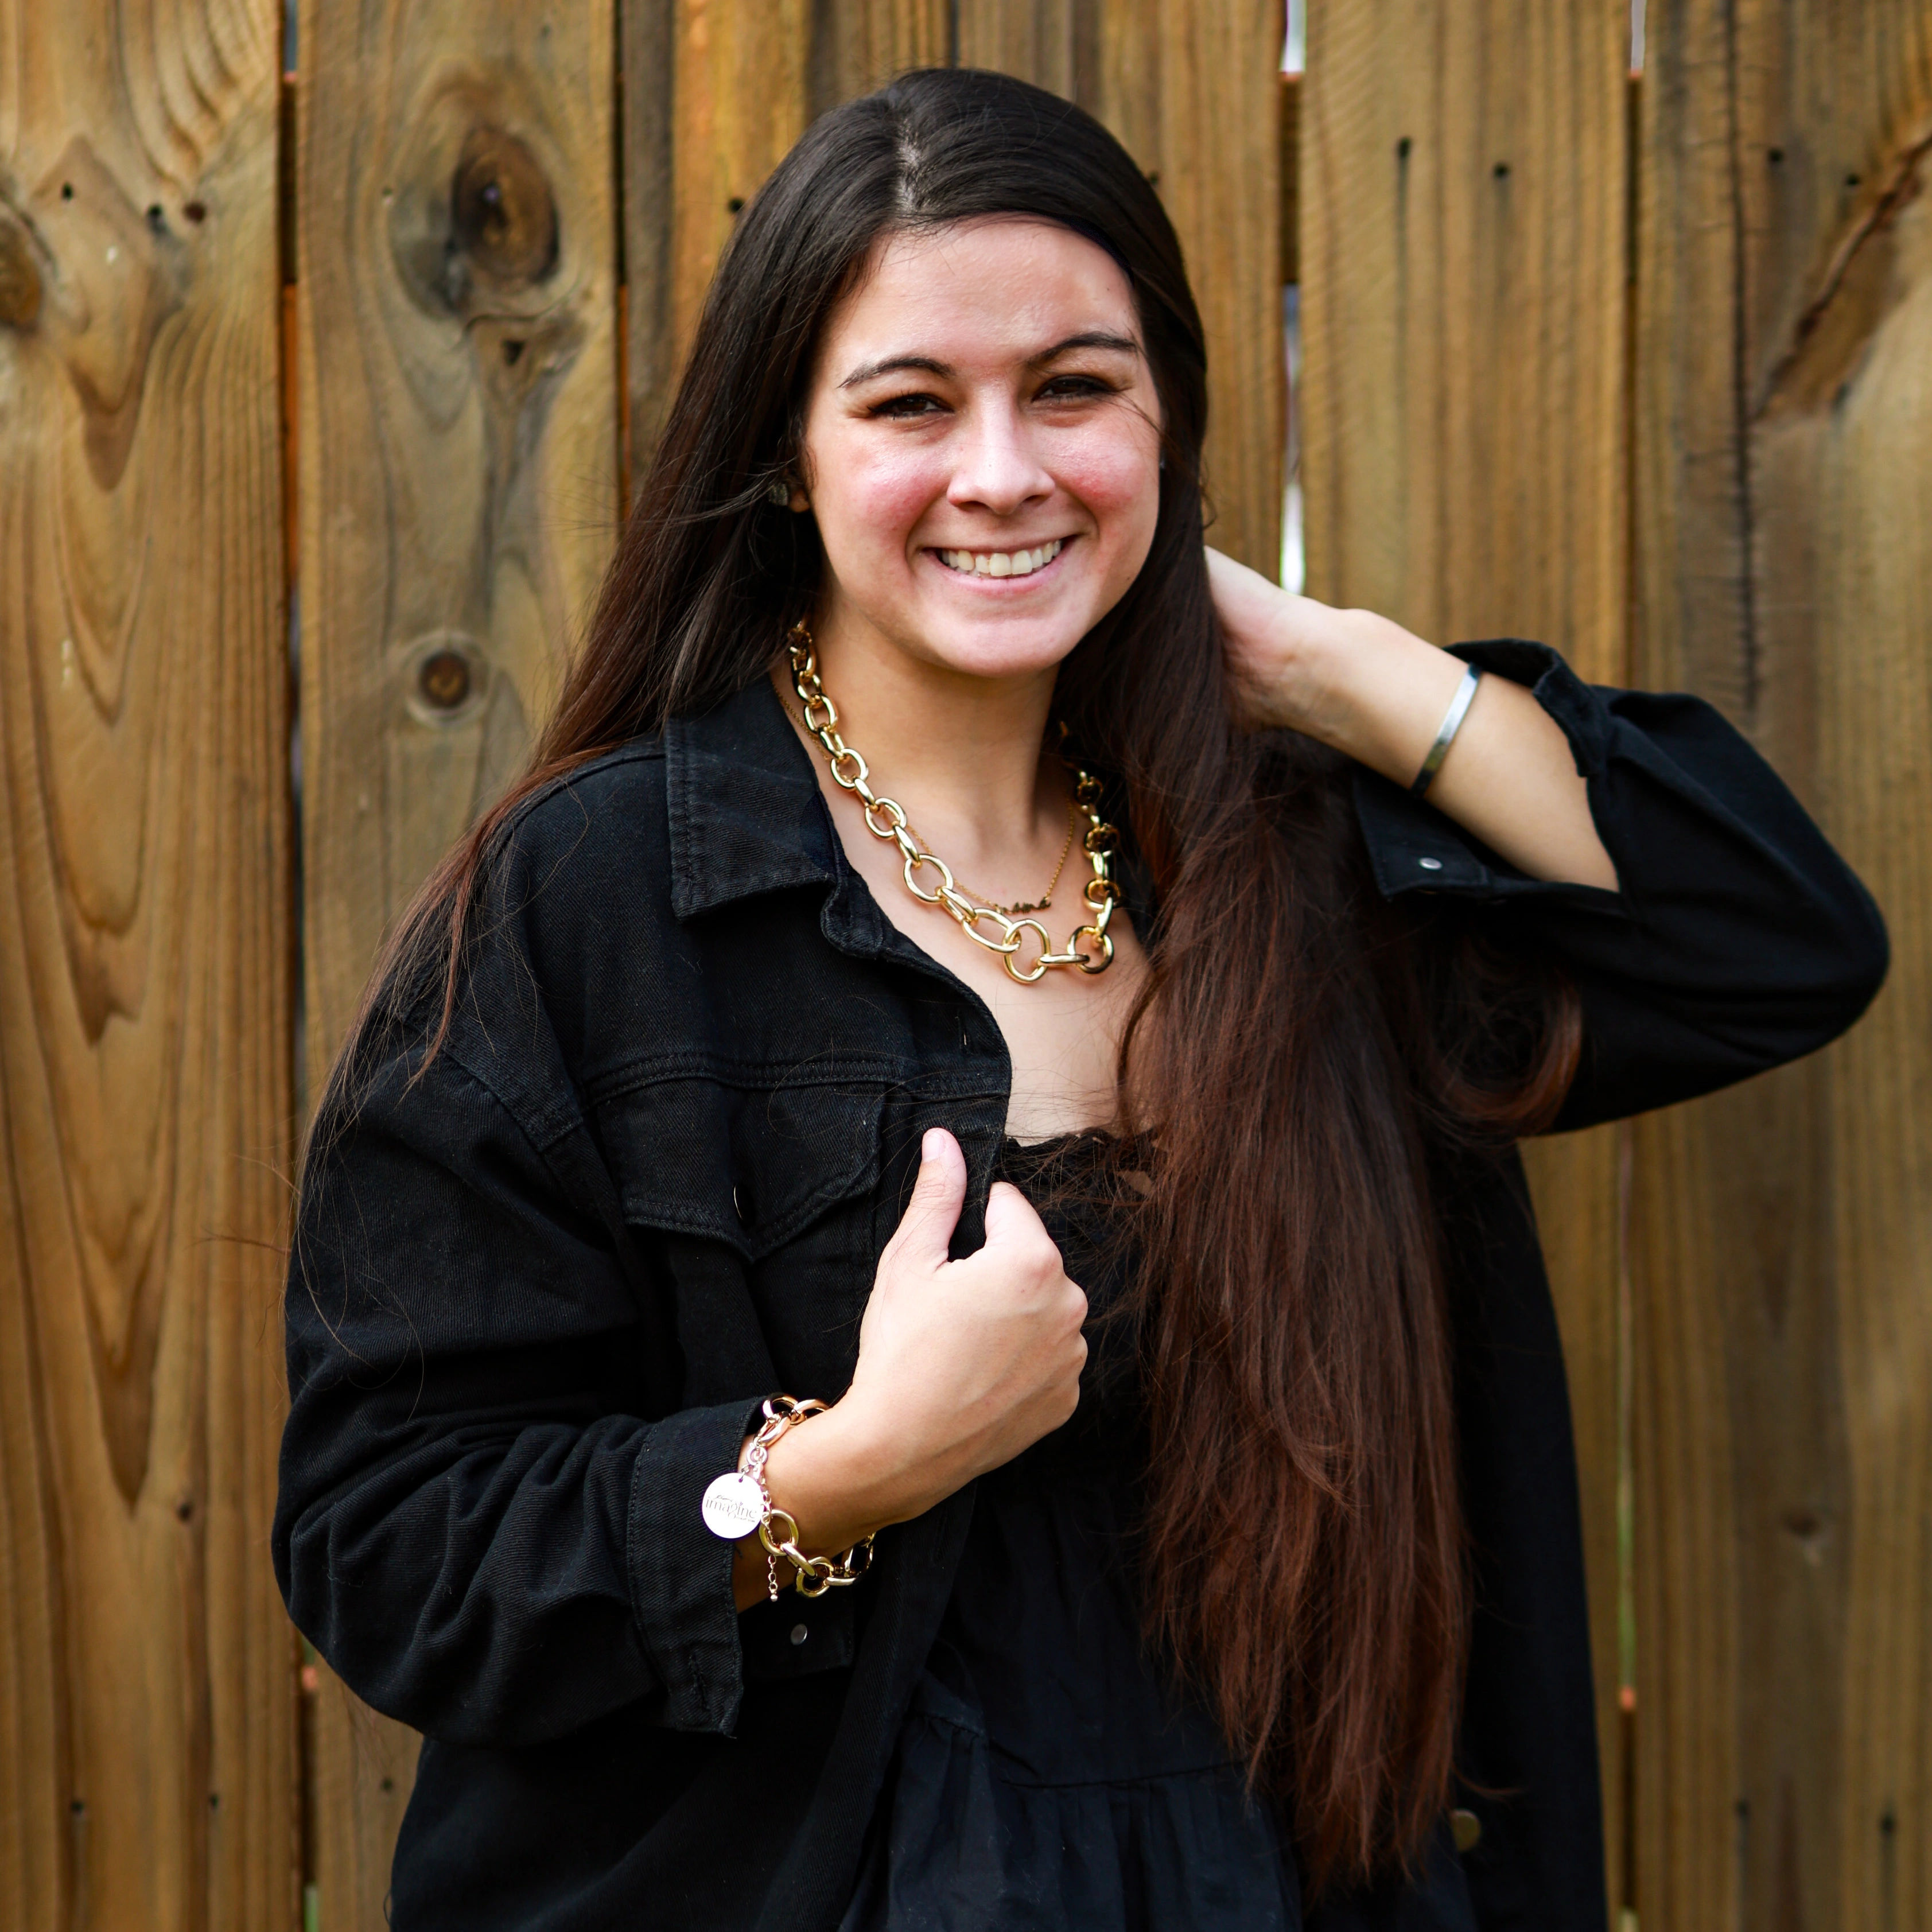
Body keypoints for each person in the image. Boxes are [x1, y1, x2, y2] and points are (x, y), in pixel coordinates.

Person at [274, 67, 1886, 1932]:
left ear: (1168, 419)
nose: (1003, 470)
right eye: (908, 403)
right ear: (787, 452)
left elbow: (1774, 936)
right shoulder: (590, 907)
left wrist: (1333, 667)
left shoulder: (1293, 879)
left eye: (1074, 389)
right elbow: (388, 1545)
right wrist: (834, 1473)